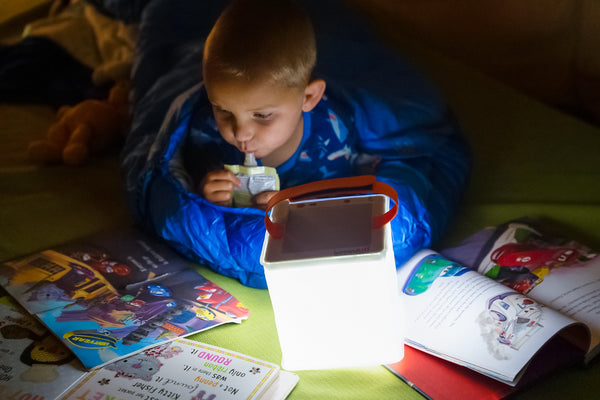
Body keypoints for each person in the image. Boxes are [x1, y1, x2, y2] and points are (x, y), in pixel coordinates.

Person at [120, 0, 471, 288]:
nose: (240, 133)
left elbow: (351, 198)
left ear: (308, 97)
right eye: (223, 110)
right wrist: (204, 188)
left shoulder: (332, 136)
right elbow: (176, 171)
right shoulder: (205, 131)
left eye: (262, 116)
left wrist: (297, 206)